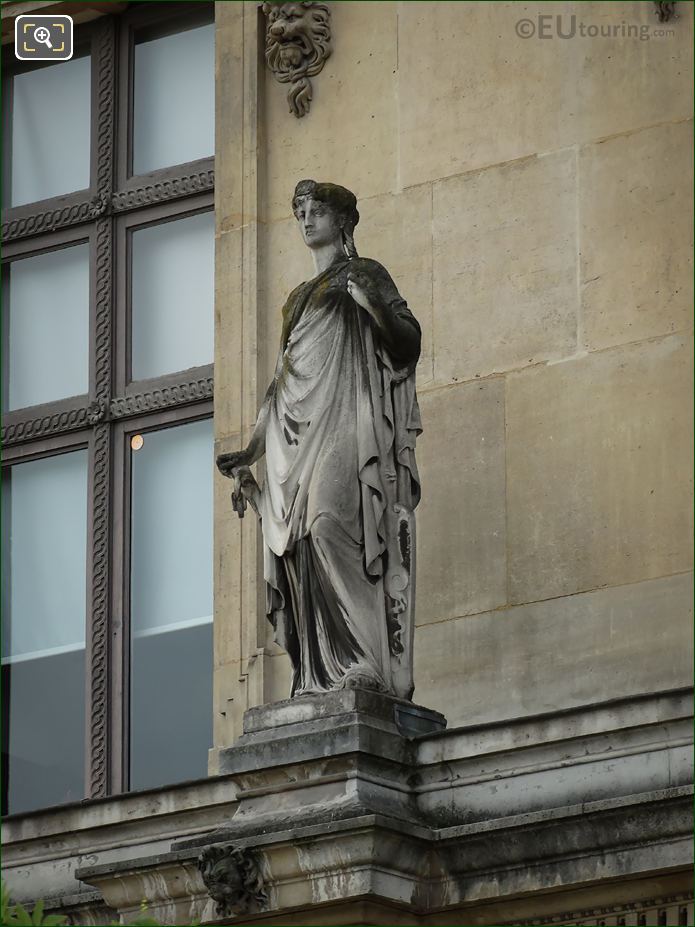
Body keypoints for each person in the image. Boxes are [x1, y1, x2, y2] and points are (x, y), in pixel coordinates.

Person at [217, 179, 421, 700]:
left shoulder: (365, 274)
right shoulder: (295, 300)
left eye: (316, 211)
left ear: (342, 220)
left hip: (346, 423)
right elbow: (282, 382)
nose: (306, 220)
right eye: (299, 212)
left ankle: (362, 660)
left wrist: (370, 307)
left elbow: (407, 340)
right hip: (295, 435)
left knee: (332, 525)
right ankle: (317, 674)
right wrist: (252, 449)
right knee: (300, 545)